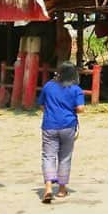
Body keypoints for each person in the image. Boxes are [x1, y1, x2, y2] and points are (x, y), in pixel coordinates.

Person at [38, 62, 84, 203]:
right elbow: (81, 108)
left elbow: (41, 105)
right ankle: (62, 190)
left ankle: (48, 188)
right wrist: (71, 110)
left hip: (49, 125)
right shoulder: (76, 89)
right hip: (68, 125)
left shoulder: (48, 86)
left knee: (48, 156)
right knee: (65, 157)